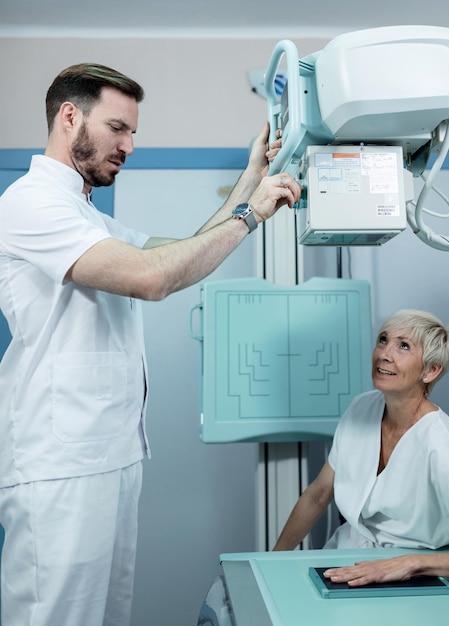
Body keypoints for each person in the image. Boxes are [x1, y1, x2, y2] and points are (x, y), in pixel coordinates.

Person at [0, 63, 300, 626]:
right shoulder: (30, 202)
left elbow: (182, 252)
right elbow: (151, 278)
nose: (130, 146)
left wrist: (249, 179)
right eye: (118, 128)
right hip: (60, 461)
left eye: (133, 132)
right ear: (70, 117)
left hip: (111, 453)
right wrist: (251, 212)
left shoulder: (86, 216)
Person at [273, 309, 449, 585]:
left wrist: (410, 564)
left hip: (412, 573)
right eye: (383, 340)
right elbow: (318, 495)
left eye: (403, 346)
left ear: (430, 370)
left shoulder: (439, 442)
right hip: (347, 560)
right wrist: (270, 562)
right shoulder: (361, 409)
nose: (384, 354)